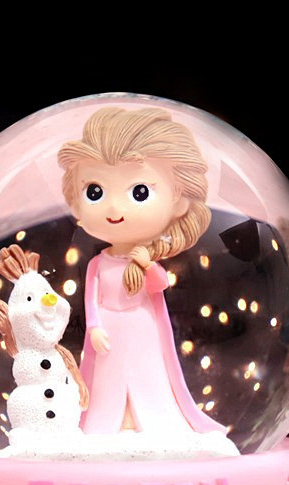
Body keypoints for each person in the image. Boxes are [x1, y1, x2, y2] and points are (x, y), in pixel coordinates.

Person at [57, 106, 226, 436]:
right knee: (107, 379)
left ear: (179, 200)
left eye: (139, 192)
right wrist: (93, 327)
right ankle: (110, 421)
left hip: (142, 326)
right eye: (95, 192)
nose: (114, 208)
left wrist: (147, 264)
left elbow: (159, 285)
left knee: (148, 374)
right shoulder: (98, 263)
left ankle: (148, 419)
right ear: (75, 201)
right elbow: (90, 300)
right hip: (108, 330)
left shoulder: (147, 259)